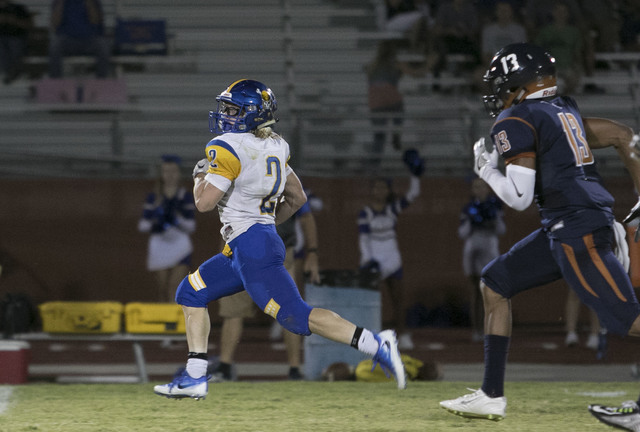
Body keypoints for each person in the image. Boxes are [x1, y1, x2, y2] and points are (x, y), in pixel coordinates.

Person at [153, 79, 406, 400]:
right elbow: (297, 197)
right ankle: (194, 377)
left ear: (251, 113)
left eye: (233, 109)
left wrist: (199, 175)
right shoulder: (276, 145)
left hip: (253, 247)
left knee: (297, 317)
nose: (225, 114)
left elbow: (203, 203)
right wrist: (264, 224)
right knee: (190, 292)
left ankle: (377, 343)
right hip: (253, 242)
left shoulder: (227, 146)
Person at [439, 42, 640, 421]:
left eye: (501, 83)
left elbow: (518, 197)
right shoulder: (562, 109)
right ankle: (491, 395)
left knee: (627, 322)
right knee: (495, 283)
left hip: (575, 227)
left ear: (517, 82)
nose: (497, 92)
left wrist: (486, 170)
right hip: (570, 224)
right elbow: (623, 134)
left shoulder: (516, 119)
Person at [210, 204, 321, 382]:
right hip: (256, 250)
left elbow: (305, 213)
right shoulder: (279, 179)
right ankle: (226, 365)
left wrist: (313, 252)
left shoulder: (278, 180)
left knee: (289, 311)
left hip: (263, 250)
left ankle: (294, 368)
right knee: (235, 311)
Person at [358, 148, 424, 350]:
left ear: (388, 190)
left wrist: (414, 175)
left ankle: (402, 334)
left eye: (383, 188)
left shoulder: (392, 209)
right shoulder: (365, 212)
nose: (379, 191)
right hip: (373, 257)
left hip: (392, 256)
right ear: (372, 191)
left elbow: (413, 194)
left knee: (398, 299)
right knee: (370, 301)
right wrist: (368, 259)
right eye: (376, 188)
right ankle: (368, 337)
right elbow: (363, 238)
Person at [137, 154, 196, 302]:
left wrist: (177, 219)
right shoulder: (154, 197)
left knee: (175, 285)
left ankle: (175, 322)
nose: (170, 175)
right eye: (166, 171)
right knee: (162, 288)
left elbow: (191, 226)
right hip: (159, 244)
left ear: (179, 174)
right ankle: (165, 320)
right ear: (161, 174)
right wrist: (157, 221)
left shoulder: (185, 196)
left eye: (173, 171)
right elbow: (143, 225)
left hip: (180, 245)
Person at [458, 176, 505, 342]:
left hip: (490, 247)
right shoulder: (468, 208)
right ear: (472, 190)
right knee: (476, 291)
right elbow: (462, 233)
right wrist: (473, 220)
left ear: (488, 189)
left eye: (482, 186)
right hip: (473, 247)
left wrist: (491, 219)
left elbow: (501, 229)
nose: (479, 190)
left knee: (492, 291)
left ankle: (492, 328)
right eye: (476, 187)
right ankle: (476, 330)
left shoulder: (495, 206)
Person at [48, 0, 110, 78]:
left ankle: (102, 84)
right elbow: (55, 23)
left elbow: (95, 21)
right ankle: (55, 84)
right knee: (54, 46)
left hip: (90, 41)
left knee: (103, 46)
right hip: (67, 41)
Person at [0, 0, 31, 84]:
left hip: (16, 38)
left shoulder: (18, 8)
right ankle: (11, 73)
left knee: (14, 45)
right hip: (2, 40)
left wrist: (15, 21)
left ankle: (12, 73)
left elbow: (28, 25)